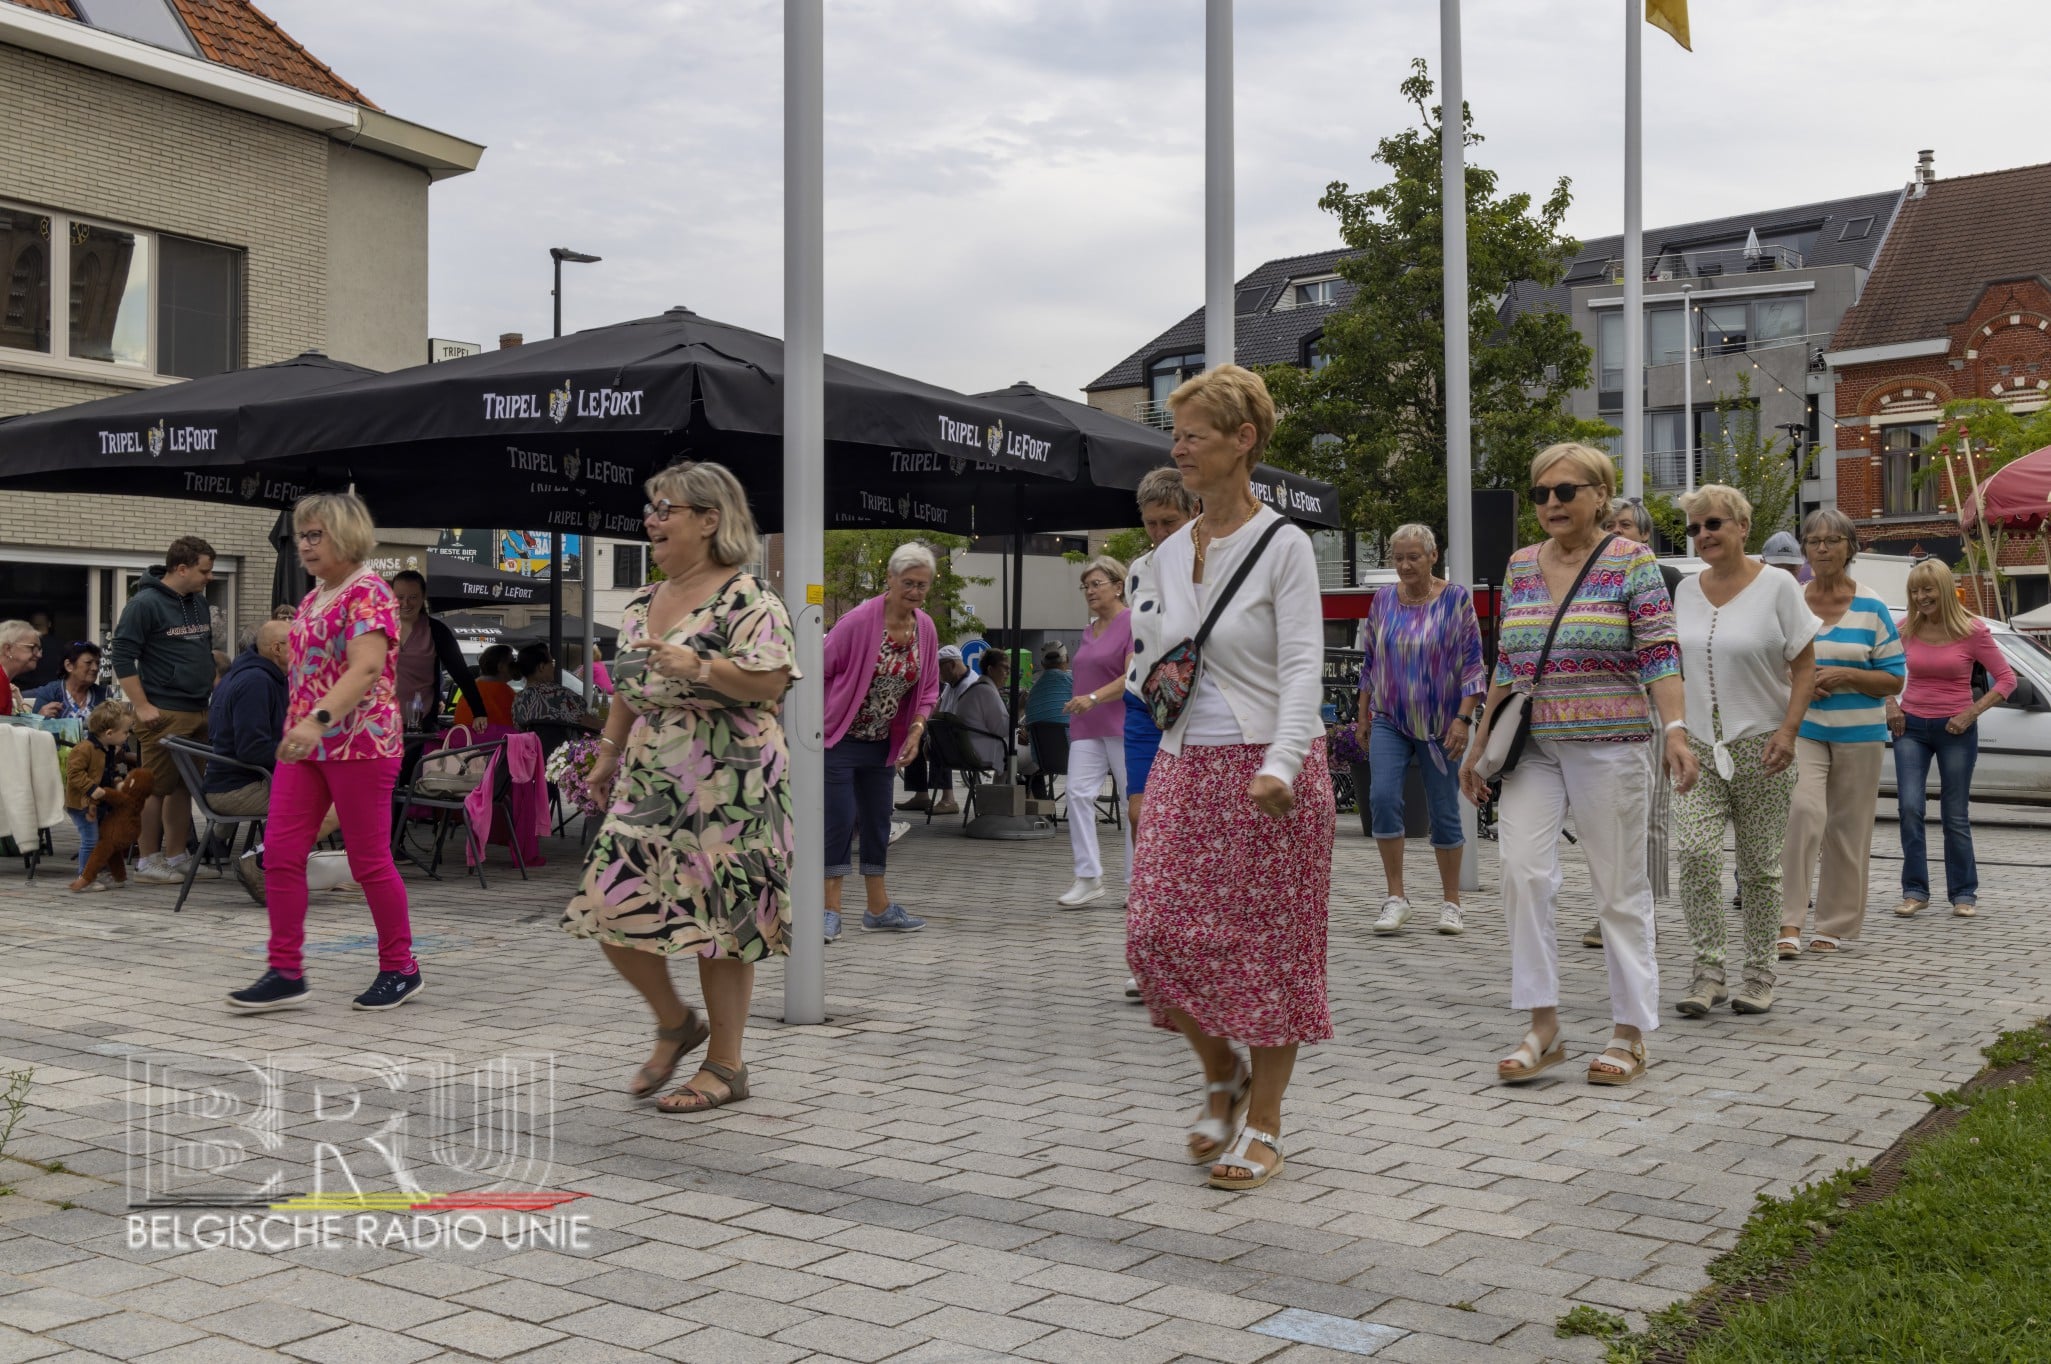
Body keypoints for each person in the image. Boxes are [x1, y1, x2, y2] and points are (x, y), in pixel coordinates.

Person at [1126, 364, 1332, 1193]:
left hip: (1269, 765)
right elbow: (1153, 656)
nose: (1178, 448)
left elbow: (1302, 667)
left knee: (1269, 951)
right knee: (1153, 934)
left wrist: (1282, 762)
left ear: (1243, 441)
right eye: (1174, 435)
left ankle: (1267, 1125)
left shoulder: (1285, 546)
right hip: (1186, 761)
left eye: (1193, 434)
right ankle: (1221, 1069)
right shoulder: (1167, 554)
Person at [564, 461, 797, 1113]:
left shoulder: (749, 600)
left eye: (664, 509)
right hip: (651, 775)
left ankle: (725, 1066)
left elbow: (770, 683)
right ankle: (675, 1022)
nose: (651, 520)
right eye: (650, 510)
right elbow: (626, 690)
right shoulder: (640, 602)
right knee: (610, 906)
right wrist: (607, 753)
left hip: (733, 780)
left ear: (708, 519)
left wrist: (701, 662)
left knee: (719, 925)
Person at [1460, 443, 1694, 1088]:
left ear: (1601, 493)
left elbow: (1658, 651)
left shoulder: (1632, 562)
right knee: (1522, 872)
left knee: (1618, 886)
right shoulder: (1520, 566)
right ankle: (1544, 1026)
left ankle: (1629, 1032)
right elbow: (1508, 662)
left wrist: (1674, 731)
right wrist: (1480, 747)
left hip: (1609, 742)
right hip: (1533, 747)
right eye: (1541, 494)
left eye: (1566, 491)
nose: (1553, 504)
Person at [228, 493, 421, 1014]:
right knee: (281, 854)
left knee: (369, 860)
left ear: (347, 535)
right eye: (302, 536)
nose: (306, 546)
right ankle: (285, 970)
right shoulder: (316, 597)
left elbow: (365, 669)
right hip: (307, 745)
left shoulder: (369, 593)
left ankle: (400, 966)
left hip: (360, 744)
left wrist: (317, 721)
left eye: (317, 535)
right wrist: (301, 728)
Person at [1669, 486, 1818, 1019]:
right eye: (1694, 529)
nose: (1703, 535)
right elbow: (1673, 669)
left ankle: (1758, 975)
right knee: (1695, 854)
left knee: (1758, 868)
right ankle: (1707, 971)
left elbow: (1805, 668)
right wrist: (1675, 732)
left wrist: (1789, 730)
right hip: (1698, 750)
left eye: (1712, 524)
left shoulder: (1778, 585)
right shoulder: (1685, 591)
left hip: (1763, 745)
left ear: (1742, 527)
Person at [1777, 509, 1904, 958]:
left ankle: (1832, 925)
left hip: (1860, 734)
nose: (1823, 548)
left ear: (1851, 547)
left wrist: (1847, 675)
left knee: (1848, 831)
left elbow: (1894, 680)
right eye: (1814, 541)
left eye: (1833, 540)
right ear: (1805, 549)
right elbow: (1769, 666)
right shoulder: (1789, 600)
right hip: (1804, 728)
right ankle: (1788, 919)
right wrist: (1801, 684)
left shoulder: (1872, 607)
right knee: (1801, 813)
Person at [1353, 523, 1486, 937]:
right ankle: (1396, 897)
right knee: (1382, 797)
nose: (1406, 565)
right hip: (1390, 718)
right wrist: (1362, 715)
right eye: (1398, 558)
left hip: (1442, 724)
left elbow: (1473, 666)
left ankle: (1451, 903)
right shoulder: (1381, 600)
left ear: (1433, 556)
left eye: (1414, 556)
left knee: (1445, 811)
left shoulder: (1456, 600)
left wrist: (1463, 719)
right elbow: (1370, 661)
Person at [821, 543, 939, 940]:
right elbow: (820, 668)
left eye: (923, 585)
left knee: (877, 822)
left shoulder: (925, 628)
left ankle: (878, 908)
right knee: (837, 822)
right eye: (908, 583)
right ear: (889, 579)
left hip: (883, 742)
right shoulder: (857, 622)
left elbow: (929, 690)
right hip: (839, 738)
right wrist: (821, 721)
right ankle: (828, 910)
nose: (916, 592)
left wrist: (917, 730)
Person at [1886, 558, 2014, 919]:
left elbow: (2007, 680)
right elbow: (1880, 669)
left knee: (1954, 814)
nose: (1921, 597)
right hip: (1909, 727)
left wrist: (1970, 713)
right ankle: (1914, 890)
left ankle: (1963, 892)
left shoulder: (1972, 631)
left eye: (1927, 590)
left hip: (1956, 729)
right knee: (1910, 807)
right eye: (1914, 591)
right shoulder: (1904, 630)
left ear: (1942, 589)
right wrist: (1890, 704)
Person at [109, 536, 217, 886]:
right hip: (163, 710)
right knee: (153, 787)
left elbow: (203, 648)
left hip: (198, 708)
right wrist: (141, 705)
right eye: (204, 570)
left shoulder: (198, 602)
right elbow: (123, 656)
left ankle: (177, 855)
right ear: (181, 568)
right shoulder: (144, 604)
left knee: (184, 786)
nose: (209, 577)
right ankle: (147, 860)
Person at [1057, 556, 1133, 909]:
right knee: (1076, 793)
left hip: (1122, 722)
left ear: (1118, 586)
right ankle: (1088, 876)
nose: (1089, 591)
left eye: (1096, 583)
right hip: (1086, 725)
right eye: (1086, 586)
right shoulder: (1088, 631)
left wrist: (1092, 697)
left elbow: (1132, 677)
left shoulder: (1133, 622)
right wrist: (1083, 702)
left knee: (1132, 803)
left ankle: (1138, 882)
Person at [205, 622, 292, 900]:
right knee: (321, 803)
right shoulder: (257, 682)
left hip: (233, 779)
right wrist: (301, 754)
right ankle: (258, 863)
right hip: (235, 789)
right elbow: (252, 749)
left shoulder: (251, 674)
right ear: (277, 649)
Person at [388, 569, 486, 728]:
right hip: (380, 721)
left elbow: (460, 672)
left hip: (420, 721)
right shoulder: (379, 628)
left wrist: (479, 712)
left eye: (413, 597)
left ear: (423, 596)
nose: (405, 603)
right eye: (400, 597)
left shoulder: (437, 631)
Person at [63, 699, 134, 890]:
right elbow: (74, 773)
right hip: (82, 803)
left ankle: (102, 872)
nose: (128, 736)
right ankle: (86, 875)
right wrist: (92, 788)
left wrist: (119, 783)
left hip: (99, 803)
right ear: (109, 733)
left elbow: (111, 771)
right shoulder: (84, 749)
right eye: (126, 732)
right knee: (90, 839)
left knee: (105, 836)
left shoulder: (109, 749)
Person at [897, 644, 975, 816]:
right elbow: (937, 706)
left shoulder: (970, 685)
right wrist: (919, 728)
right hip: (951, 733)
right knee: (915, 738)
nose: (937, 673)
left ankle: (949, 798)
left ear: (951, 665)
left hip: (965, 738)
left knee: (940, 737)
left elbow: (958, 721)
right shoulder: (952, 683)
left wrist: (930, 736)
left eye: (939, 668)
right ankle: (921, 794)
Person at [512, 642, 591, 728]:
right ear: (541, 667)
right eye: (551, 662)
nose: (553, 667)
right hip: (564, 741)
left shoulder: (518, 700)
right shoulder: (561, 694)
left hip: (530, 741)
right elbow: (587, 721)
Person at [27, 641, 107, 720]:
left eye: (97, 663)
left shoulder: (104, 695)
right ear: (69, 666)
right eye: (88, 663)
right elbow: (33, 729)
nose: (95, 668)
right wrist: (40, 716)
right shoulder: (49, 693)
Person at [451, 643, 518, 728]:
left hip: (463, 738)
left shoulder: (472, 687)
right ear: (500, 666)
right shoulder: (504, 691)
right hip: (493, 739)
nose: (516, 666)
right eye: (512, 662)